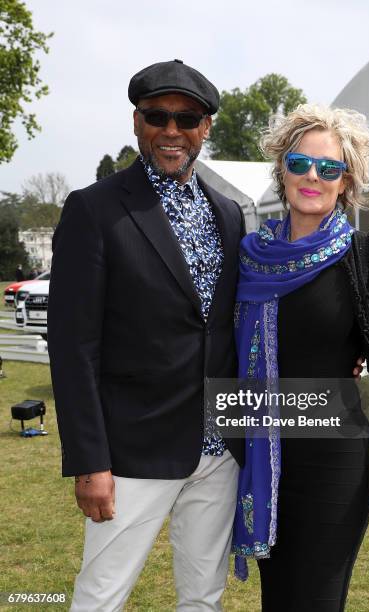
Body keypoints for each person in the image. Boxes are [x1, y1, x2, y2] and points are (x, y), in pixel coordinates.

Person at [47, 59, 246, 611]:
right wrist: (90, 461)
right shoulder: (95, 208)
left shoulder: (228, 214)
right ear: (137, 122)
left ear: (206, 127)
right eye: (157, 116)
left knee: (203, 598)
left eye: (188, 118)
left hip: (218, 449)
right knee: (100, 598)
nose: (172, 131)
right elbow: (72, 346)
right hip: (131, 452)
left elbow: (241, 320)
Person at [231, 104, 369, 611]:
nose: (313, 176)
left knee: (316, 601)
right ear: (281, 169)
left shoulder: (365, 257)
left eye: (329, 168)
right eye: (300, 163)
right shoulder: (248, 257)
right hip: (261, 461)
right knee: (278, 601)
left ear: (345, 181)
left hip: (335, 463)